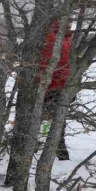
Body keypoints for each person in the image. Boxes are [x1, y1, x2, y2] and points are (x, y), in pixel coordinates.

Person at [38, 19, 73, 160]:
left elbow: (69, 65)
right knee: (49, 120)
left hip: (62, 86)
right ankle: (58, 152)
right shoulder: (51, 37)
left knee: (58, 120)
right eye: (68, 21)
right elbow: (45, 63)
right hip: (51, 86)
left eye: (71, 22)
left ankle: (58, 150)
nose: (70, 25)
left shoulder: (67, 38)